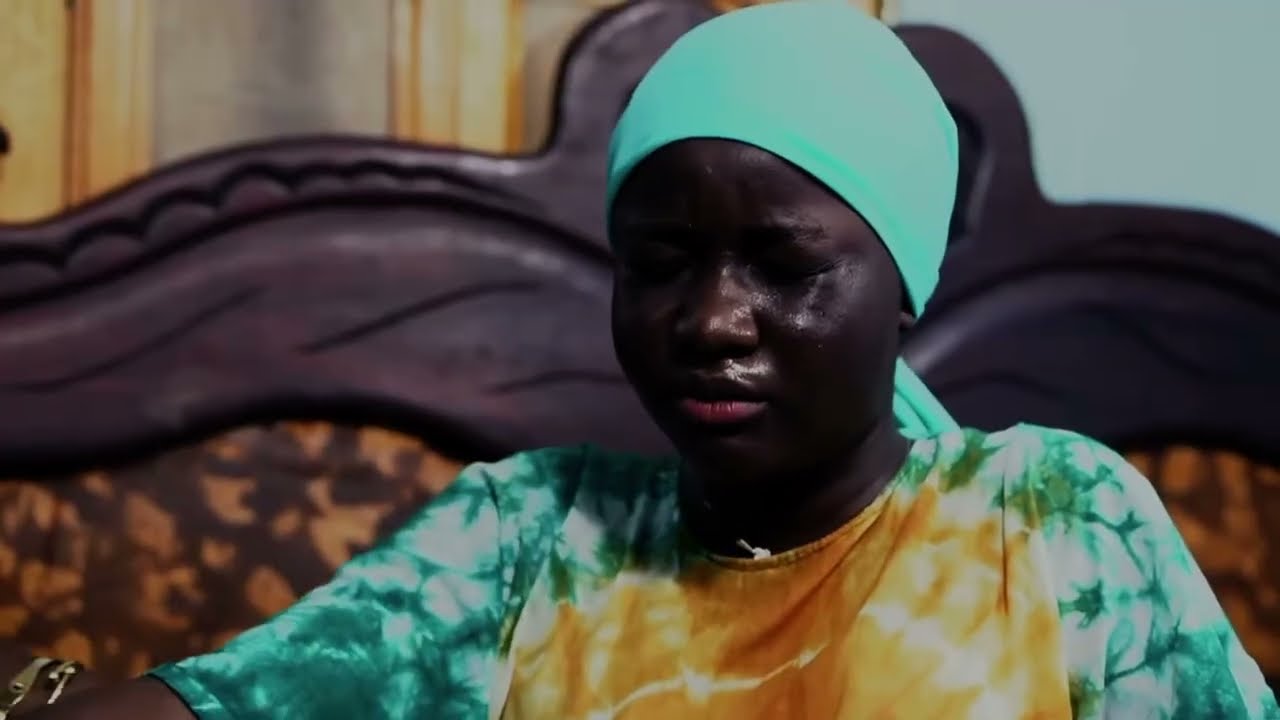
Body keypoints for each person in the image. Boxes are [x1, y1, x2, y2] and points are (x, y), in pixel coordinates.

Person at [13, 1, 1277, 718]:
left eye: (783, 266)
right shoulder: (528, 540)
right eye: (661, 261)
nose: (710, 319)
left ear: (901, 284)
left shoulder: (1050, 521)